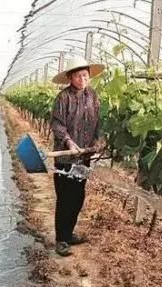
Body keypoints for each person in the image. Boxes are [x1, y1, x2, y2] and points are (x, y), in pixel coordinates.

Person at [50, 57, 105, 256]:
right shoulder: (63, 98)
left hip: (84, 157)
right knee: (65, 197)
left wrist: (98, 139)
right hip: (66, 157)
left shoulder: (93, 96)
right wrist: (69, 142)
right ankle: (61, 239)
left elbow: (97, 120)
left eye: (85, 75)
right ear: (70, 78)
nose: (82, 79)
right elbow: (57, 124)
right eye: (77, 76)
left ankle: (69, 232)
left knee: (78, 195)